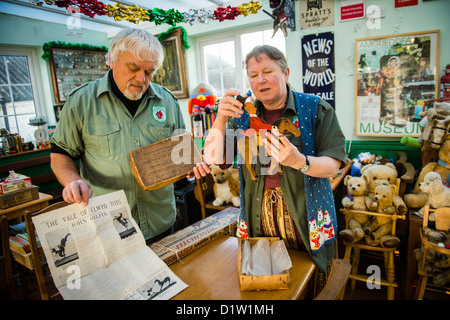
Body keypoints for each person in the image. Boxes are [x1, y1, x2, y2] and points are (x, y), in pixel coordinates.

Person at [193, 45, 347, 273]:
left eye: (267, 72)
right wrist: (220, 119)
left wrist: (298, 161)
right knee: (265, 279)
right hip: (258, 217)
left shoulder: (316, 109)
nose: (261, 80)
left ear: (285, 73)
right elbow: (214, 157)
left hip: (305, 218)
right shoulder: (242, 115)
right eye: (253, 75)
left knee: (310, 280)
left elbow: (333, 167)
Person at [50, 28, 185, 243]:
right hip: (108, 226)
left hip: (160, 220)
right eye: (133, 68)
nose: (141, 78)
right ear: (111, 60)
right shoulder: (81, 101)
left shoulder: (167, 101)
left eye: (149, 72)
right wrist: (72, 181)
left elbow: (181, 152)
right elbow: (60, 155)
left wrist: (192, 163)